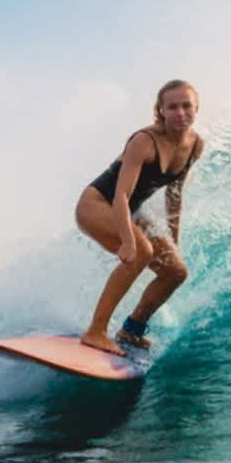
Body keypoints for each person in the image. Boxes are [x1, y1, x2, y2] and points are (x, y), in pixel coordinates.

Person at [75, 80, 204, 355]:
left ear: (196, 108)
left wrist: (174, 241)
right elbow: (121, 195)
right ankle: (95, 331)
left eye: (186, 106)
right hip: (97, 204)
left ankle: (132, 330)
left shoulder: (195, 145)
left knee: (175, 271)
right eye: (172, 107)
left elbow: (175, 193)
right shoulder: (143, 141)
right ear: (161, 111)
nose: (180, 113)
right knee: (141, 251)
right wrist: (127, 240)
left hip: (130, 211)